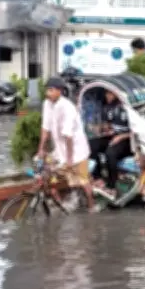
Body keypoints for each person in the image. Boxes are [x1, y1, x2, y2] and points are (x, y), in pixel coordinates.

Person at [37, 77, 98, 211]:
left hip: (76, 151)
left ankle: (92, 206)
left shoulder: (67, 108)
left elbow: (68, 136)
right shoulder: (47, 104)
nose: (48, 93)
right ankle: (60, 204)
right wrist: (40, 149)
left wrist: (70, 159)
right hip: (60, 149)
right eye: (47, 90)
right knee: (48, 172)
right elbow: (45, 128)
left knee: (82, 180)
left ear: (59, 91)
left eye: (51, 90)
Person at [94, 90, 134, 195]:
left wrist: (121, 137)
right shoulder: (107, 108)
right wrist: (102, 128)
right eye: (106, 93)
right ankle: (98, 178)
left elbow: (137, 131)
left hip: (128, 139)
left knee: (110, 153)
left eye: (110, 93)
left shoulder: (128, 108)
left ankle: (113, 185)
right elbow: (107, 125)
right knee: (92, 145)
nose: (107, 96)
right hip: (113, 136)